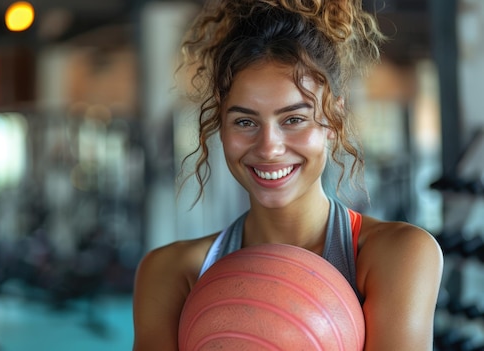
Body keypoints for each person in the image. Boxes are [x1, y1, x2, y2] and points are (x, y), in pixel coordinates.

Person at [132, 0, 444, 350]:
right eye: (245, 122)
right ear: (220, 123)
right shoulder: (171, 273)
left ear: (332, 119)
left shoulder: (396, 255)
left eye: (293, 119)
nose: (269, 147)